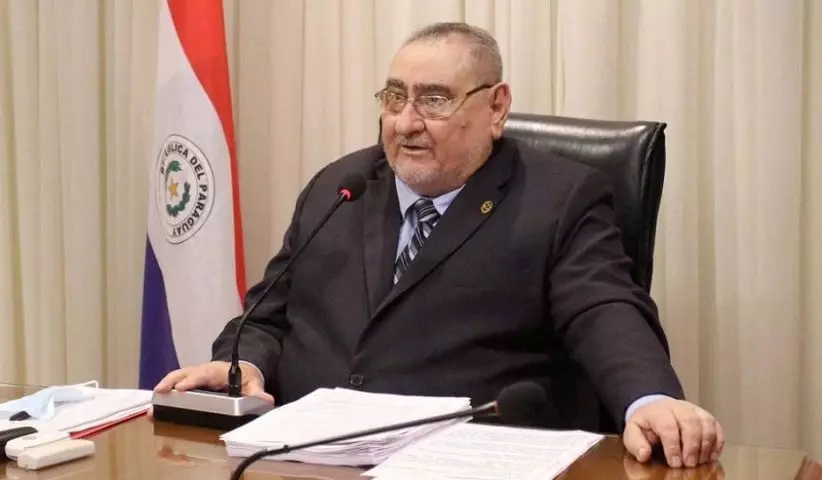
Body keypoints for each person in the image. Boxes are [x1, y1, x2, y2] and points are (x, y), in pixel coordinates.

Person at [155, 22, 723, 469]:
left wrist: (649, 399)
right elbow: (268, 313)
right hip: (301, 462)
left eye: (433, 100)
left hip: (467, 463)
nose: (405, 123)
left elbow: (603, 308)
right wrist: (245, 363)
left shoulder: (558, 199)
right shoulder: (341, 186)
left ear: (496, 108)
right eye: (394, 97)